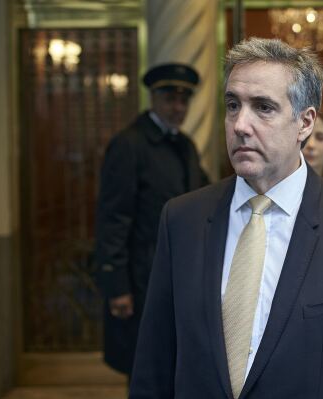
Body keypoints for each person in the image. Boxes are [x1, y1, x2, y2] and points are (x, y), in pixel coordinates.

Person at [130, 38, 323, 398]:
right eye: (233, 105)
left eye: (263, 107)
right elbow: (154, 368)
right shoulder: (182, 220)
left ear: (304, 122)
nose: (240, 124)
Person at [95, 63, 209, 376]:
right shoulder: (129, 145)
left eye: (184, 100)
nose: (178, 108)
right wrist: (117, 285)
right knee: (145, 368)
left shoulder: (185, 145)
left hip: (178, 274)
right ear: (153, 99)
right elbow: (113, 218)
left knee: (174, 366)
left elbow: (204, 194)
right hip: (141, 276)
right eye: (170, 99)